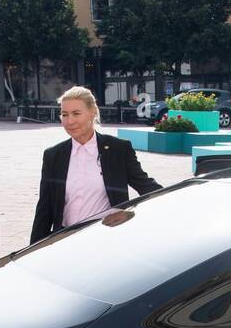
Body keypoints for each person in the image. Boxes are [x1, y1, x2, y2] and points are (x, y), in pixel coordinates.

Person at [30, 86, 162, 244]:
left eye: (76, 113)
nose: (70, 121)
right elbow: (45, 208)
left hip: (106, 239)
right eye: (65, 115)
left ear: (92, 112)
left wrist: (131, 212)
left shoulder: (118, 149)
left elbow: (149, 190)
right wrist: (33, 250)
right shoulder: (53, 155)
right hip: (64, 241)